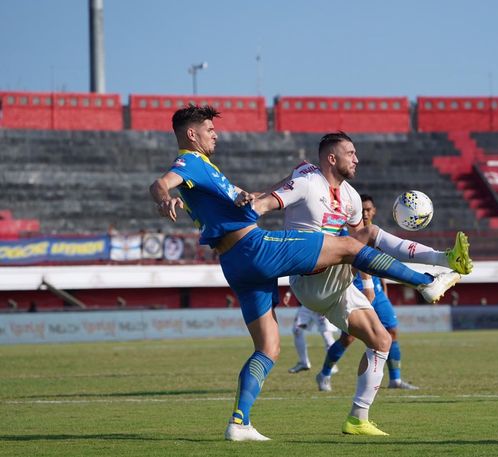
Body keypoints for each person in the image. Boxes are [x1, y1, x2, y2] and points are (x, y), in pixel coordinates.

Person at [149, 106, 466, 441]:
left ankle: (239, 422)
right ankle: (427, 283)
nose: (215, 134)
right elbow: (160, 183)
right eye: (209, 130)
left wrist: (242, 197)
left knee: (268, 348)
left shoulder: (206, 170)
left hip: (235, 263)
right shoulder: (191, 161)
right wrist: (163, 198)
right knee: (350, 247)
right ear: (191, 134)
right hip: (253, 247)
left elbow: (224, 203)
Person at [240, 132, 472, 437]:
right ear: (331, 158)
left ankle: (357, 418)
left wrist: (366, 283)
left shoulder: (350, 196)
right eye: (350, 153)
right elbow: (266, 203)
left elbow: (362, 250)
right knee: (370, 232)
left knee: (381, 341)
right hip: (309, 278)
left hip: (337, 282)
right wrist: (247, 207)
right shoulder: (307, 181)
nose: (357, 159)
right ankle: (438, 266)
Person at [316, 194, 420, 392]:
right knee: (348, 338)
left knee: (392, 331)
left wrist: (384, 290)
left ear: (374, 211)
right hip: (354, 291)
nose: (364, 213)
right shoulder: (346, 234)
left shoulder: (376, 235)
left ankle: (395, 379)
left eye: (368, 209)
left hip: (377, 293)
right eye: (361, 209)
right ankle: (324, 374)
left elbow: (381, 266)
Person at [287, 297, 340, 374]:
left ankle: (332, 365)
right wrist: (289, 293)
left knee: (327, 334)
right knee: (297, 330)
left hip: (322, 304)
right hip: (307, 304)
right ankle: (304, 363)